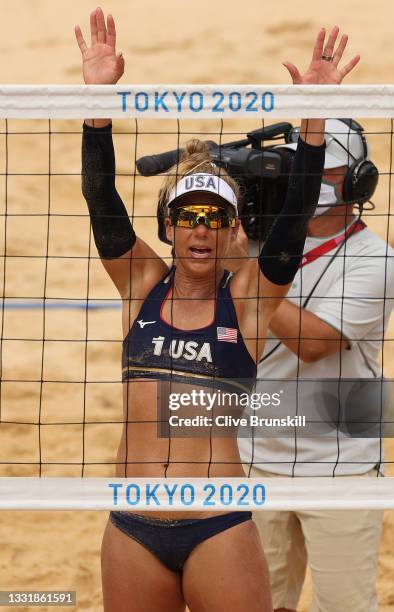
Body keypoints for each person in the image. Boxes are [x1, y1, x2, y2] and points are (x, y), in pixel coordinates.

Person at [75, 9, 359, 611]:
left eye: (214, 218)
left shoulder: (250, 302)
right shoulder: (141, 283)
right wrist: (97, 104)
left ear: (231, 228)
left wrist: (313, 125)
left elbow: (290, 227)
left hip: (217, 524)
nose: (200, 230)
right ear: (170, 229)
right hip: (133, 523)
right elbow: (101, 199)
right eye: (187, 218)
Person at [239, 117, 394, 612]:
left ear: (357, 180)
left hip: (341, 468)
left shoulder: (377, 259)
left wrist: (242, 265)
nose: (304, 180)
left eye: (324, 171)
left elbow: (312, 342)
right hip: (254, 458)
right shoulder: (257, 243)